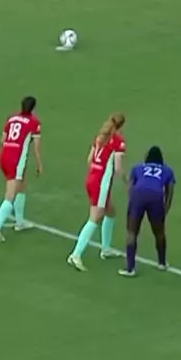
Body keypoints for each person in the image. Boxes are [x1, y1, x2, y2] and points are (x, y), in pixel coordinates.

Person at [67, 113, 126, 272]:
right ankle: (76, 254)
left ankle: (106, 249)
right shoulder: (118, 141)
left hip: (91, 178)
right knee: (94, 218)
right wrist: (127, 181)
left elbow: (89, 160)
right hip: (101, 184)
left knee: (111, 212)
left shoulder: (100, 137)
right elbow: (118, 168)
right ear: (121, 126)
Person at [0, 96, 42, 242]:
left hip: (4, 155)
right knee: (10, 194)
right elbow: (36, 147)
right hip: (16, 159)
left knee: (21, 187)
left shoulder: (11, 119)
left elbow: (2, 140)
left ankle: (20, 222)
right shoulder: (34, 122)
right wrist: (39, 164)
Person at [118, 146, 175, 278]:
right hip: (156, 196)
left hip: (138, 195)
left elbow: (130, 187)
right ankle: (162, 263)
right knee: (159, 232)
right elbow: (170, 191)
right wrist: (165, 210)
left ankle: (130, 269)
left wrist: (133, 203)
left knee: (132, 232)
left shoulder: (138, 168)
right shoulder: (167, 170)